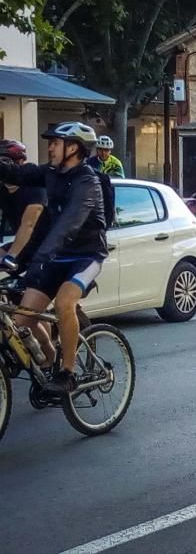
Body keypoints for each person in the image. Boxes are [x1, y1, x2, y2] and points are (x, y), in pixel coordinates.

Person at [0, 123, 108, 394]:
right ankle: (46, 365)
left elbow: (68, 224)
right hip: (56, 257)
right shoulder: (50, 173)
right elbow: (16, 172)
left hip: (85, 256)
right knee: (21, 319)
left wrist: (40, 257)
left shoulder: (88, 182)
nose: (49, 147)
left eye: (55, 143)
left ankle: (68, 373)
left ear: (73, 148)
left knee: (63, 303)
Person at [0, 140, 49, 272]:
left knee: (33, 290)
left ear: (20, 162)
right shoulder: (2, 190)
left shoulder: (35, 186)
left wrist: (11, 256)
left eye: (4, 161)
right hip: (22, 245)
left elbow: (28, 225)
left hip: (45, 248)